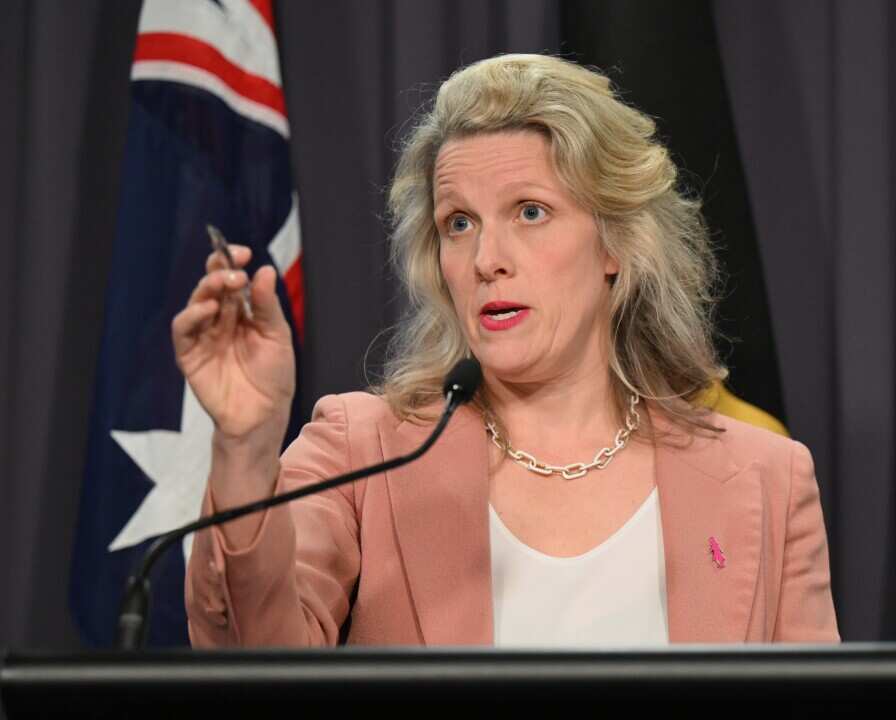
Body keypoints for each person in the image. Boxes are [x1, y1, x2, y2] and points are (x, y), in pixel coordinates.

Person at [176, 53, 838, 647]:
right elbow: (254, 656)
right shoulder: (363, 451)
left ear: (615, 245)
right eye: (458, 223)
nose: (487, 260)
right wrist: (244, 445)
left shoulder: (766, 476)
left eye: (530, 212)